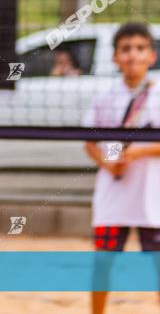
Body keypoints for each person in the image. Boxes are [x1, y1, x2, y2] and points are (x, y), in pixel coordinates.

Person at [83, 22, 160, 314]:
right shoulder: (106, 97)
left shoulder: (158, 93)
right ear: (115, 57)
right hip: (114, 196)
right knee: (102, 261)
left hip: (152, 197)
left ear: (151, 56)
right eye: (125, 49)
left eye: (140, 48)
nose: (133, 55)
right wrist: (108, 161)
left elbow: (140, 146)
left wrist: (141, 150)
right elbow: (93, 141)